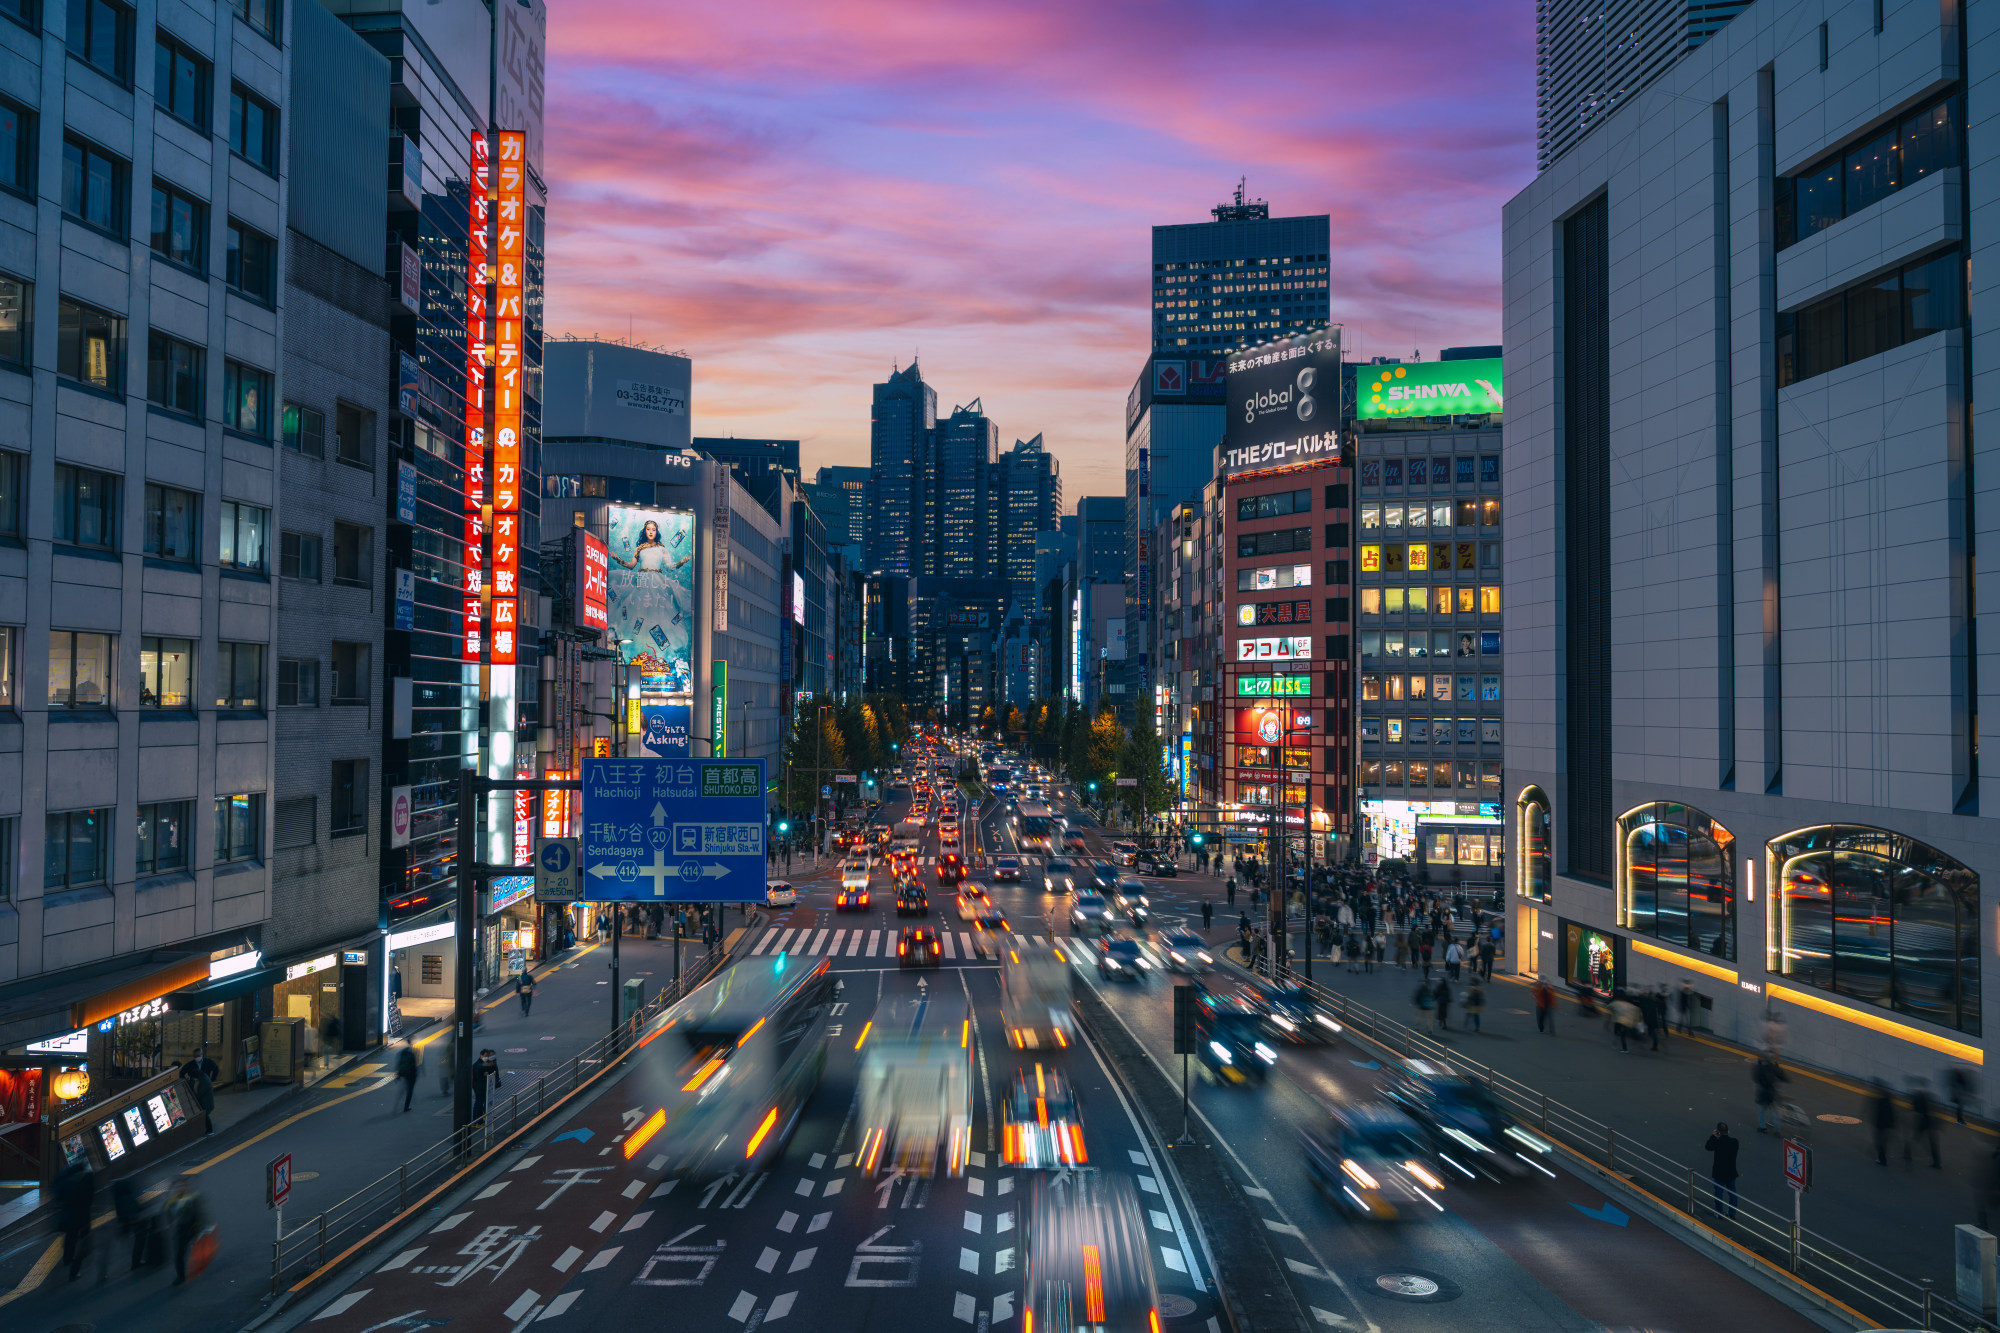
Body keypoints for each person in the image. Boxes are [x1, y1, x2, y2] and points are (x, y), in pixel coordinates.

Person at [54, 1157, 94, 1281]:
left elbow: (60, 1198)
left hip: (68, 1215)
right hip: (80, 1215)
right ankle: (75, 1266)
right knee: (82, 1238)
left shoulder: (67, 1181)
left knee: (70, 1237)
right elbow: (87, 1200)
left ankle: (67, 1259)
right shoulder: (82, 1181)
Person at [166, 1179, 210, 1285]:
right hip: (179, 1232)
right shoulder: (171, 1202)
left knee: (197, 1248)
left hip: (191, 1230)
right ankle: (180, 1276)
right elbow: (170, 1216)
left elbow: (199, 1214)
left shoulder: (192, 1199)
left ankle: (200, 1265)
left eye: (181, 1186)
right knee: (179, 1255)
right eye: (176, 1187)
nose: (179, 1189)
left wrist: (199, 1229)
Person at [1703, 1122, 1740, 1218]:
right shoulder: (1734, 1142)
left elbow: (1708, 1146)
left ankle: (1719, 1212)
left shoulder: (1717, 1142)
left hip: (1719, 1173)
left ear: (1718, 1132)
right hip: (1731, 1172)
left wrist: (1713, 1136)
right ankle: (1732, 1213)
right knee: (1732, 1193)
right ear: (1728, 1131)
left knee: (1718, 1193)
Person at [1907, 1080, 1942, 1168]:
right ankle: (1936, 1161)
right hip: (1930, 1121)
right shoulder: (1929, 1096)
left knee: (1915, 1138)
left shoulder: (1917, 1096)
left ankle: (1907, 1154)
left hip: (1922, 1121)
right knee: (1932, 1142)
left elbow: (1914, 1108)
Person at [1753, 1055, 1787, 1133]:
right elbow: (1781, 1076)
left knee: (1761, 1111)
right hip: (1772, 1093)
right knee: (1774, 1111)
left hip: (1763, 1093)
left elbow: (1756, 1078)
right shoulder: (1773, 1067)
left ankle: (1762, 1127)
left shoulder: (1760, 1068)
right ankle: (1776, 1130)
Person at [1871, 1079, 1897, 1165]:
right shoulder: (1888, 1101)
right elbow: (1892, 1113)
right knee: (1884, 1141)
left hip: (1880, 1124)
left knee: (1879, 1141)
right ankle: (1883, 1159)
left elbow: (1878, 1113)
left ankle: (1881, 1159)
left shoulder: (1880, 1100)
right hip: (1887, 1124)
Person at [187, 1062, 216, 1136]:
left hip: (207, 1102)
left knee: (205, 1116)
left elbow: (199, 1093)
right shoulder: (203, 1077)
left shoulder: (204, 1082)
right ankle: (206, 1129)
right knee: (204, 1116)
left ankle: (210, 1130)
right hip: (206, 1102)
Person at [472, 1048, 503, 1120]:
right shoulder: (478, 1064)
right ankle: (477, 1120)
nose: (487, 1057)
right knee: (479, 1103)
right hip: (479, 1087)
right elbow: (479, 1070)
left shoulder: (491, 1063)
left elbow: (494, 1072)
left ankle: (486, 1116)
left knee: (486, 1102)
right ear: (481, 1055)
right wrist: (484, 1073)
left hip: (485, 1086)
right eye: (486, 1056)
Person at [396, 1039, 419, 1113]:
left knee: (406, 1088)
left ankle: (400, 1103)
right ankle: (406, 1106)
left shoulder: (403, 1052)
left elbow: (400, 1063)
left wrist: (398, 1074)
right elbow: (414, 1065)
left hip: (405, 1073)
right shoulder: (413, 1052)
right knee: (410, 1091)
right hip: (411, 1075)